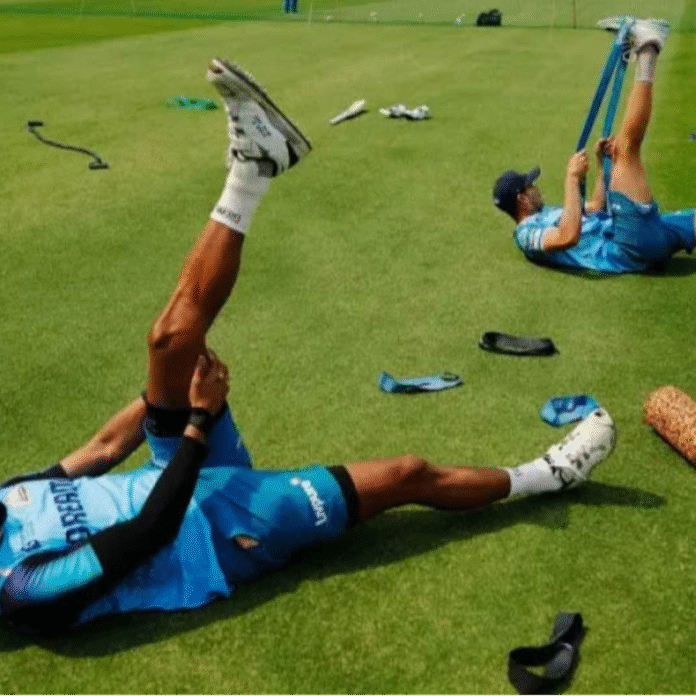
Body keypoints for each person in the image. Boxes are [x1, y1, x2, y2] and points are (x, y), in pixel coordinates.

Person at [0, 60, 616, 634]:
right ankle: (547, 476)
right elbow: (150, 532)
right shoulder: (22, 588)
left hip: (169, 468)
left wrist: (167, 389)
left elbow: (103, 448)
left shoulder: (8, 498)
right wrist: (198, 420)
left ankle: (254, 166)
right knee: (406, 474)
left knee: (169, 340)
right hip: (214, 535)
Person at [493, 18, 695, 274]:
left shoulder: (549, 212)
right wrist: (571, 179)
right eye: (530, 186)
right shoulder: (526, 235)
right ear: (521, 199)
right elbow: (568, 237)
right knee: (625, 149)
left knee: (618, 156)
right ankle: (649, 47)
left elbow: (596, 208)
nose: (536, 188)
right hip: (627, 246)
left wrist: (601, 166)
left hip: (637, 232)